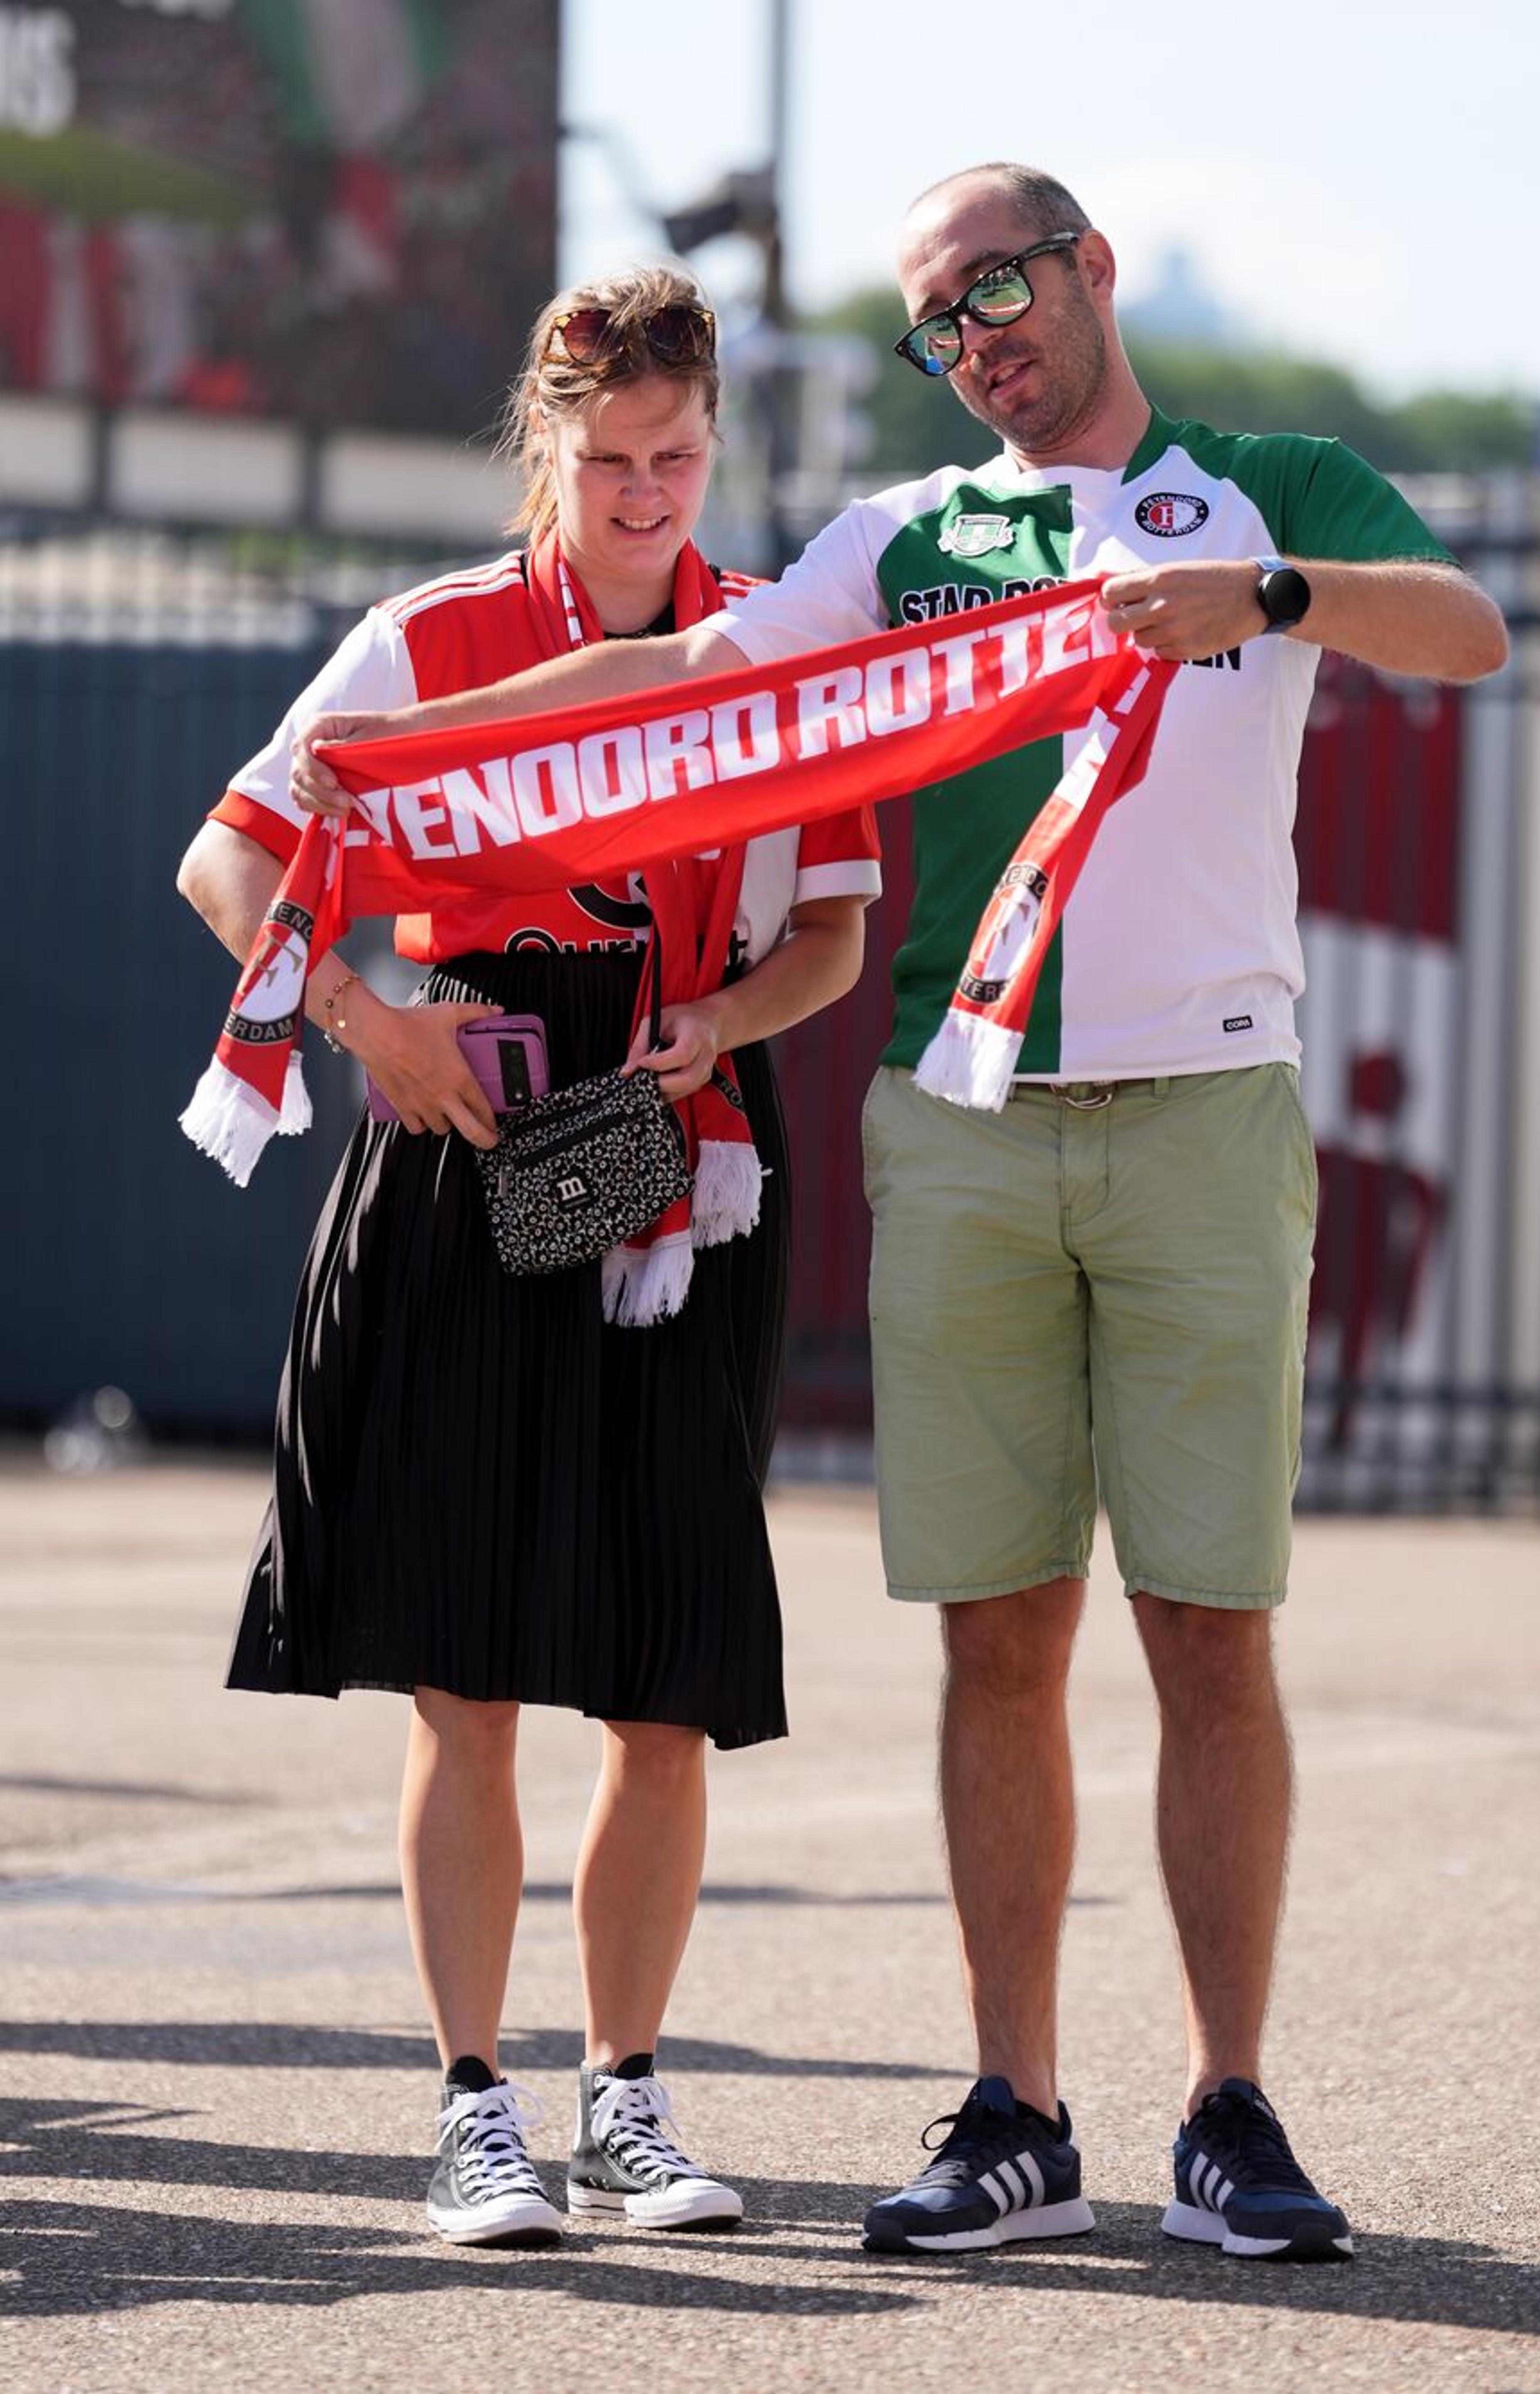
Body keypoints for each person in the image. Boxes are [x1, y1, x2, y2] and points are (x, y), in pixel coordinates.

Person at [289, 167, 1508, 2264]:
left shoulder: (1273, 484)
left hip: (1210, 1108)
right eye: (937, 323)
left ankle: (1229, 2108)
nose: (975, 343)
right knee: (996, 1638)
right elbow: (684, 680)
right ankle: (1017, 2111)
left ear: (1091, 268)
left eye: (997, 294)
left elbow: (1470, 632)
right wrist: (417, 747)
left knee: (1212, 1627)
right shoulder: (909, 541)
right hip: (964, 1121)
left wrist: (1272, 595)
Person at [176, 262, 880, 2250]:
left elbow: (831, 937)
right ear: (547, 447)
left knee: (664, 1679)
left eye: (680, 455)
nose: (649, 494)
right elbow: (229, 857)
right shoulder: (433, 637)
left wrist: (725, 1021)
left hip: (684, 1150)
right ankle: (473, 2109)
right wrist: (366, 1018)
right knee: (466, 1672)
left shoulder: (779, 645)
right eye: (614, 460)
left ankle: (628, 2105)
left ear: (717, 439)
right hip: (464, 1135)